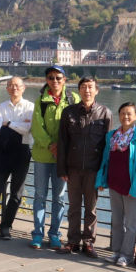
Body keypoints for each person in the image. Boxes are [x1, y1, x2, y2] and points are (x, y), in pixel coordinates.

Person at [57, 76, 112, 257]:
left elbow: (108, 146)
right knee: (73, 207)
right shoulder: (69, 112)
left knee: (91, 208)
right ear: (79, 90)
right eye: (83, 87)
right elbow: (62, 141)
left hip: (93, 169)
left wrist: (104, 174)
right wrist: (62, 168)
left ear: (96, 90)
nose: (87, 90)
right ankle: (72, 241)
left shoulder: (105, 113)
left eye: (90, 87)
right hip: (73, 168)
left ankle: (88, 242)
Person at [95, 102, 136, 267]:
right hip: (114, 183)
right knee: (117, 221)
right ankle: (116, 252)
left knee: (130, 224)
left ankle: (127, 255)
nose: (125, 116)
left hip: (131, 186)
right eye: (122, 113)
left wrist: (135, 188)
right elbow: (105, 160)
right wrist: (101, 180)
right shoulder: (112, 136)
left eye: (129, 113)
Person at [30, 65, 79, 249]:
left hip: (64, 158)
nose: (55, 81)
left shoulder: (73, 99)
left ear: (65, 79)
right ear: (46, 80)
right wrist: (51, 145)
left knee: (59, 197)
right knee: (39, 195)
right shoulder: (41, 101)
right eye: (51, 78)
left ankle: (55, 234)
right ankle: (37, 234)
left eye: (58, 77)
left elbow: (78, 126)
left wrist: (63, 147)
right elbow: (37, 127)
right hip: (43, 156)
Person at [0, 76, 33, 241]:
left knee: (16, 194)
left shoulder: (31, 107)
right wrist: (18, 125)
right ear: (7, 88)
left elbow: (28, 128)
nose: (14, 88)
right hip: (2, 152)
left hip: (22, 152)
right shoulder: (1, 107)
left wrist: (8, 124)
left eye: (17, 85)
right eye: (11, 85)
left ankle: (6, 226)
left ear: (23, 88)